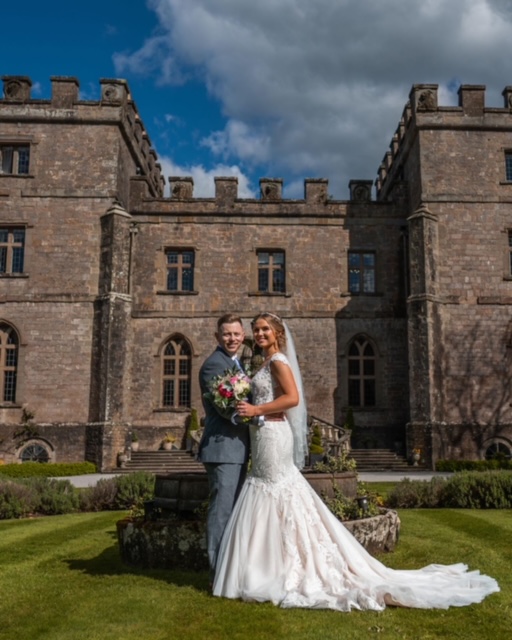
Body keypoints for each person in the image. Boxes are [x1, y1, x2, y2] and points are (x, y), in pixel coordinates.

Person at [212, 312, 500, 611]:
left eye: (265, 330)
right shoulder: (266, 362)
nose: (259, 334)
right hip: (264, 435)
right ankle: (270, 565)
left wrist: (256, 408)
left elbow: (293, 398)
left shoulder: (280, 361)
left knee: (273, 489)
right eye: (256, 330)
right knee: (272, 489)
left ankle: (272, 569)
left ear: (277, 333)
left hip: (273, 434)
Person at [198, 314, 251, 581]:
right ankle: (217, 572)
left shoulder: (237, 363)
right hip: (223, 449)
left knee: (233, 511)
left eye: (236, 334)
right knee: (222, 512)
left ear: (243, 336)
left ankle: (230, 568)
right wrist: (261, 415)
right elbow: (226, 408)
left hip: (238, 449)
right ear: (217, 336)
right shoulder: (213, 366)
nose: (232, 339)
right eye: (227, 334)